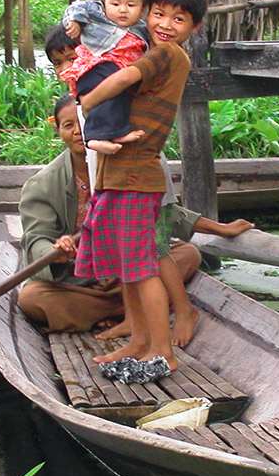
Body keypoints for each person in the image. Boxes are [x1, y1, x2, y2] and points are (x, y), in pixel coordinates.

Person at [18, 92, 253, 340]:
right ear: (57, 130)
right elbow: (35, 240)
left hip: (129, 273)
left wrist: (219, 229)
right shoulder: (42, 184)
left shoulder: (121, 161)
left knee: (188, 254)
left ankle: (129, 312)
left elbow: (161, 213)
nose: (78, 132)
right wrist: (57, 251)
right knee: (32, 299)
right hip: (82, 283)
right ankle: (136, 309)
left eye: (84, 122)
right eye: (68, 125)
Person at [73, 0, 208, 371]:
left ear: (194, 28)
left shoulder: (166, 54)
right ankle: (139, 340)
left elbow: (125, 77)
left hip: (136, 178)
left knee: (142, 268)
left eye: (178, 19)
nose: (165, 24)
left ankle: (162, 349)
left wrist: (86, 100)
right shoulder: (149, 47)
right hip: (119, 175)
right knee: (126, 269)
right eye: (158, 14)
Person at [60, 0, 150, 155]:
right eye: (115, 3)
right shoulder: (97, 14)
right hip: (96, 67)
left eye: (131, 5)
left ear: (142, 9)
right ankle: (94, 137)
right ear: (104, 3)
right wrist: (75, 22)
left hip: (118, 71)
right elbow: (75, 8)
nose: (122, 9)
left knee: (121, 98)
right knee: (110, 93)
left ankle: (116, 132)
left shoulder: (142, 29)